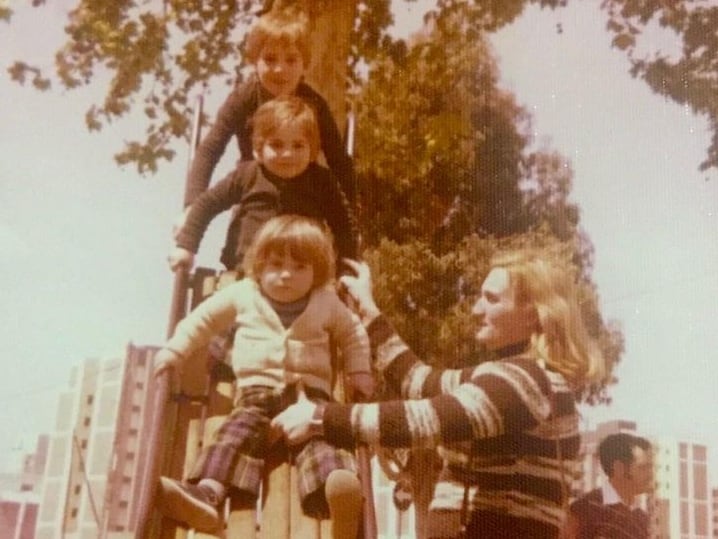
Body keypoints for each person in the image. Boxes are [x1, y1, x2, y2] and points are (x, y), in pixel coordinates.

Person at [272, 249, 607, 538]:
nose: (476, 310)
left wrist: (320, 418)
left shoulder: (524, 381)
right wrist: (370, 314)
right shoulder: (512, 376)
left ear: (532, 313)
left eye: (491, 299)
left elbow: (425, 420)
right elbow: (422, 382)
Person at [154, 215, 374, 535]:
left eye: (300, 267)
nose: (287, 275)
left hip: (308, 397)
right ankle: (207, 494)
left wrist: (359, 370)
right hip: (256, 392)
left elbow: (353, 334)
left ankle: (338, 498)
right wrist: (175, 351)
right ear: (259, 265)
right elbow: (202, 320)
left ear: (317, 271)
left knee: (323, 441)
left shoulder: (326, 301)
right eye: (276, 264)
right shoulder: (244, 293)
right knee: (235, 434)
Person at [182, 5, 355, 208]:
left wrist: (352, 211)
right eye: (270, 59)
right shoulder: (243, 99)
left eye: (291, 60)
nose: (280, 69)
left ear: (304, 64)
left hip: (302, 192)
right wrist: (191, 205)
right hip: (254, 189)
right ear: (255, 61)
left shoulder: (314, 103)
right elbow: (210, 150)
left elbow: (337, 159)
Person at [169, 95, 359, 273]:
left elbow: (343, 224)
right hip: (250, 273)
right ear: (258, 149)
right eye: (276, 145)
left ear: (312, 150)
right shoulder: (247, 175)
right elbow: (206, 204)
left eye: (298, 146)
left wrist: (347, 265)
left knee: (327, 301)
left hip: (303, 276)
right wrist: (187, 247)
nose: (287, 154)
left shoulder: (321, 181)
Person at [560, 433, 653, 539]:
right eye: (643, 467)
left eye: (650, 467)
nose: (650, 474)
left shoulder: (642, 519)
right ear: (619, 468)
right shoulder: (584, 510)